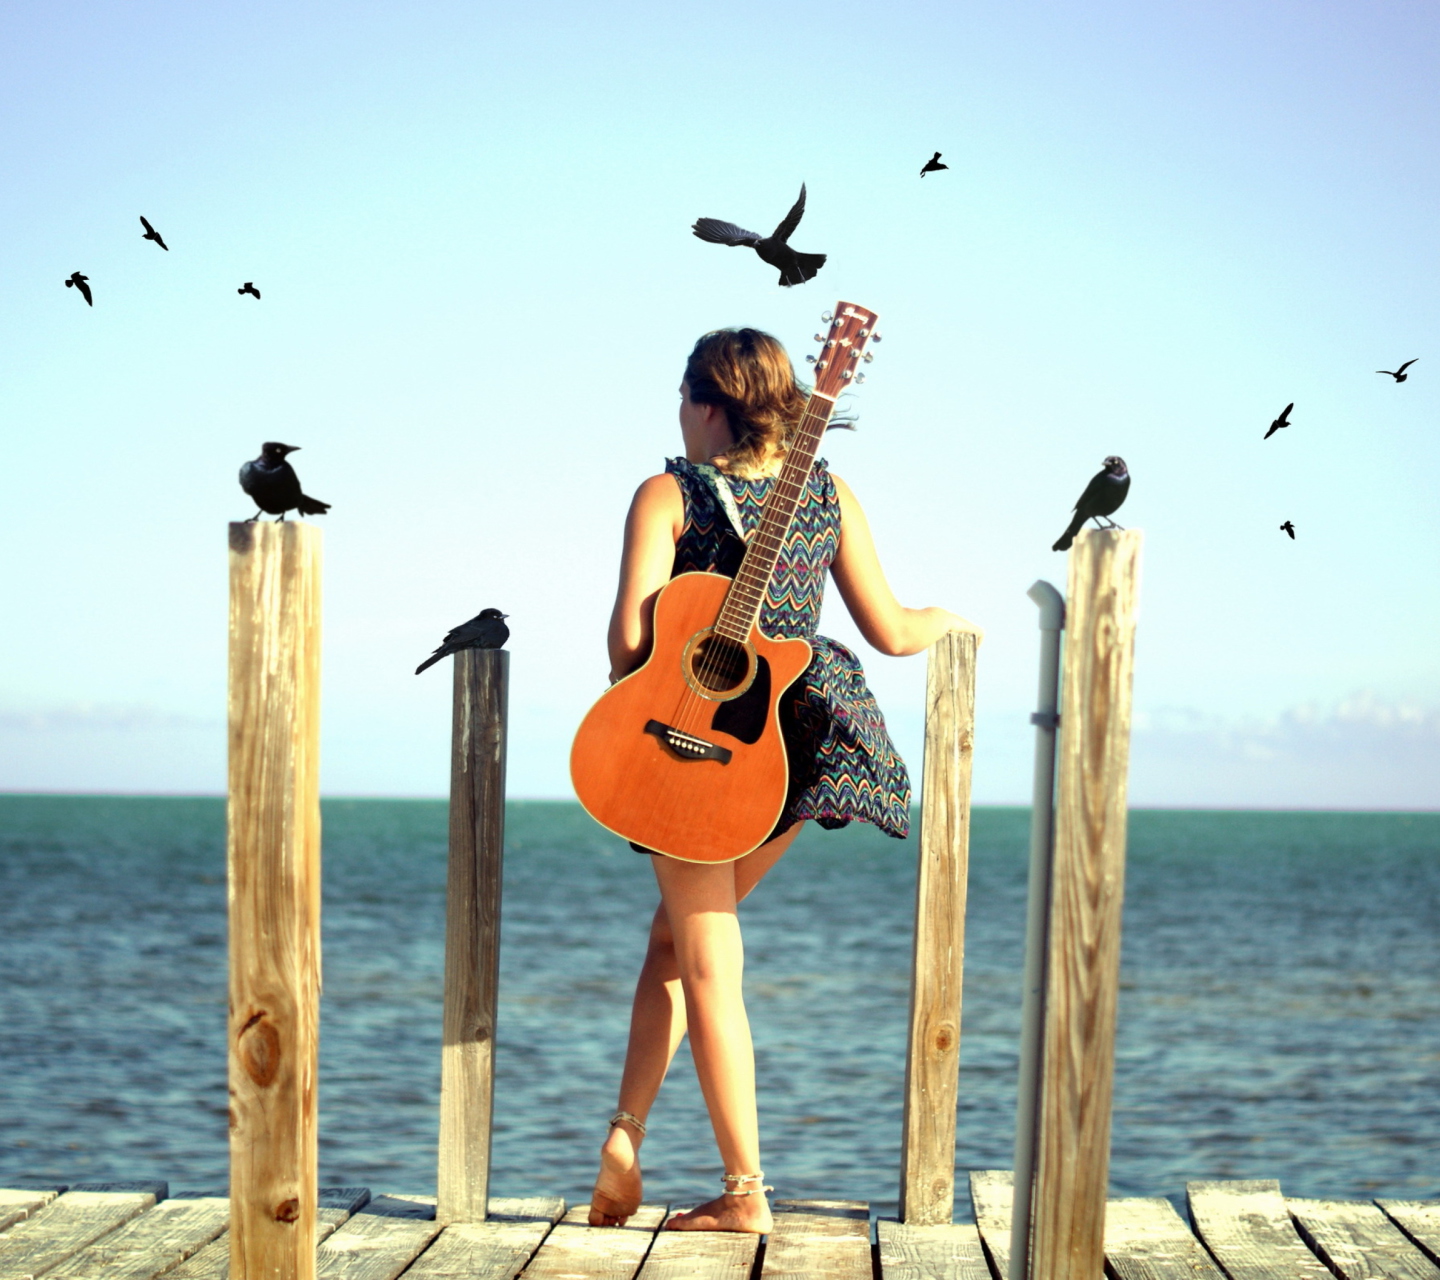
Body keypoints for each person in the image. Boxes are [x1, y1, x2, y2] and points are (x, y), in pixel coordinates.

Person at [587, 327, 980, 1233]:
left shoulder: (666, 493)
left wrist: (684, 627)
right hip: (795, 735)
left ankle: (743, 1193)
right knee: (675, 944)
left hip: (695, 743)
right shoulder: (828, 494)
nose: (679, 419)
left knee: (710, 958)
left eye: (684, 400)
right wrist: (955, 620)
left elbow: (624, 647)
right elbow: (890, 627)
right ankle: (624, 1140)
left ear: (711, 403)